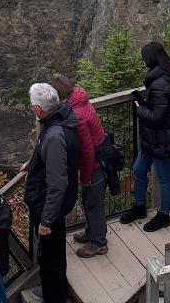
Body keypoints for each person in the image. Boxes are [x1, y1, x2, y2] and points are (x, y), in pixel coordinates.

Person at [120, 40, 170, 232]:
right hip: (156, 137)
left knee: (164, 178)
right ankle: (139, 206)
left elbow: (157, 117)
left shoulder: (158, 84)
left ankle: (163, 215)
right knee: (139, 169)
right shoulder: (169, 75)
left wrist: (140, 109)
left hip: (161, 138)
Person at [24, 81, 80, 303]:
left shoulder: (55, 135)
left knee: (50, 256)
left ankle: (54, 297)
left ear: (39, 110)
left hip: (50, 208)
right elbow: (49, 158)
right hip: (55, 204)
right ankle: (52, 292)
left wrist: (46, 220)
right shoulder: (61, 120)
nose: (32, 109)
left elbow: (57, 182)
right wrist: (33, 163)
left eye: (32, 106)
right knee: (52, 254)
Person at [52, 72, 108, 258]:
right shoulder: (79, 100)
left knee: (94, 204)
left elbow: (87, 150)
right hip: (97, 160)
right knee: (89, 201)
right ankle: (91, 232)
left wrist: (85, 177)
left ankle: (99, 243)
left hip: (95, 165)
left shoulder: (77, 114)